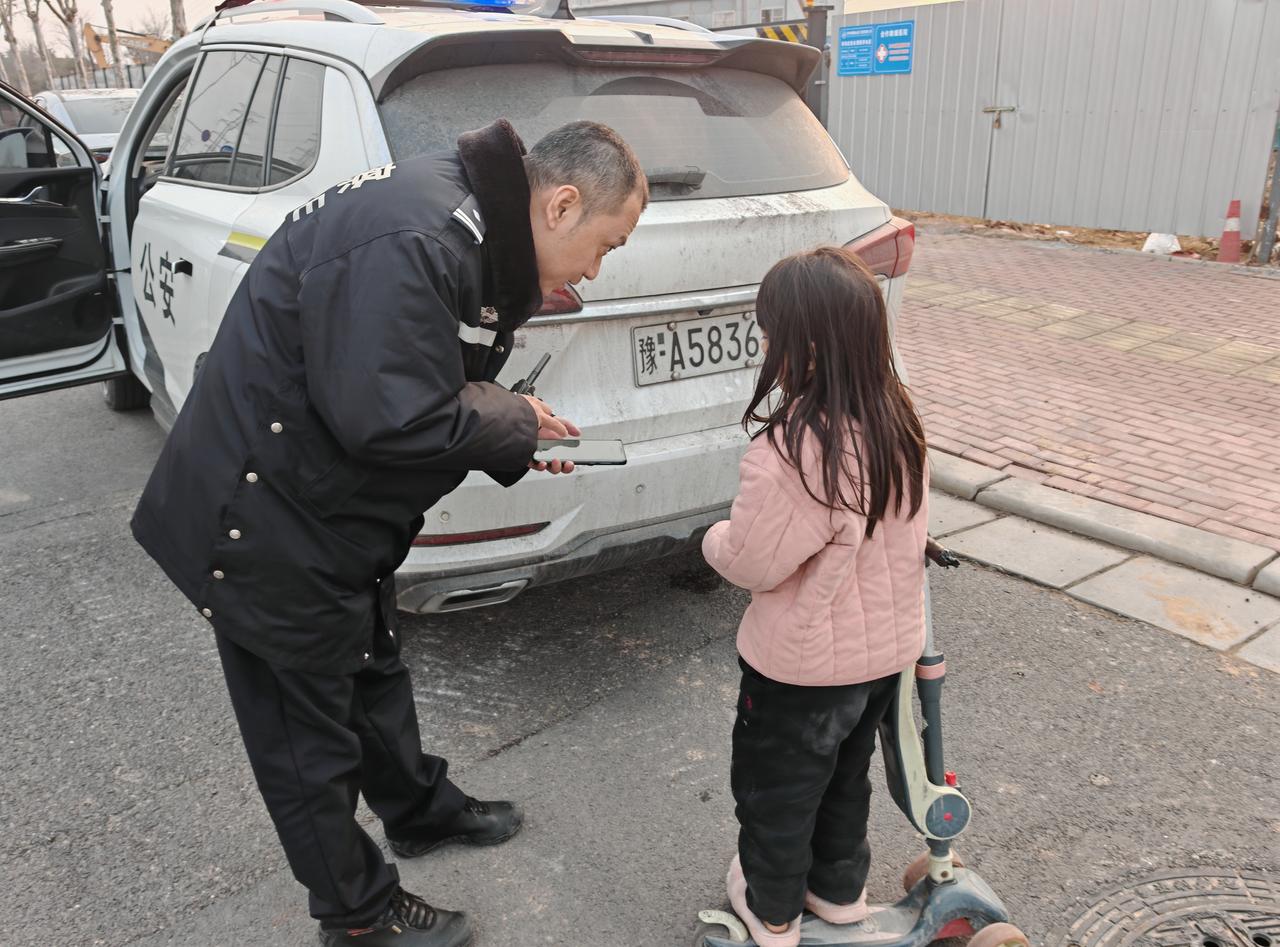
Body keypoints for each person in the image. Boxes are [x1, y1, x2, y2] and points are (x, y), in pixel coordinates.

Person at [130, 119, 648, 947]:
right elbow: (389, 417)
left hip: (324, 498)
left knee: (370, 660)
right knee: (305, 733)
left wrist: (516, 427)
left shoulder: (462, 221)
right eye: (606, 244)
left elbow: (418, 374)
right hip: (260, 511)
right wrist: (506, 419)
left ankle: (416, 809)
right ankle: (359, 916)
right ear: (560, 204)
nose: (596, 266)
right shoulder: (418, 234)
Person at [701, 246, 930, 947]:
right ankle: (837, 891)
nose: (765, 345)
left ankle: (771, 911)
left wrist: (711, 538)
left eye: (770, 333)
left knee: (778, 789)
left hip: (800, 669)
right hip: (883, 658)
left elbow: (752, 563)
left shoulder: (796, 451)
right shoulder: (900, 425)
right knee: (844, 780)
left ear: (800, 346)